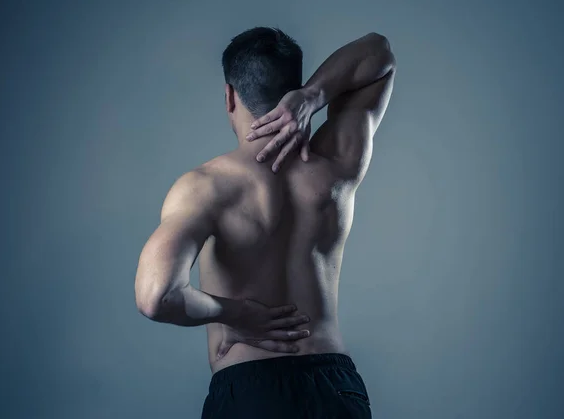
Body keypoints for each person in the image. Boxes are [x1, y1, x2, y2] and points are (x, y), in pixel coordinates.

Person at [134, 27, 396, 418]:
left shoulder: (206, 187)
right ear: (295, 86)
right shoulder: (333, 165)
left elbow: (157, 296)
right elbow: (379, 53)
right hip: (334, 387)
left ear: (229, 96)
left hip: (251, 392)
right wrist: (314, 96)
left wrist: (237, 314)